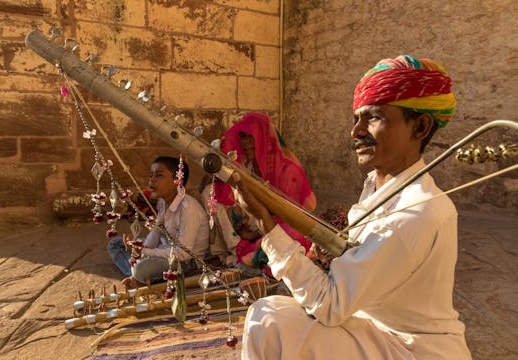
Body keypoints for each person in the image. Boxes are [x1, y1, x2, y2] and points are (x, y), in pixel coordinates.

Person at [236, 55, 471, 359]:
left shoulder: (414, 212)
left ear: (420, 127)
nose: (356, 131)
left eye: (373, 117)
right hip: (373, 330)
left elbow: (329, 305)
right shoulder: (379, 186)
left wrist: (266, 225)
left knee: (266, 319)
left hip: (411, 349)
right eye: (356, 119)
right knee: (274, 315)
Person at [202, 112, 317, 275]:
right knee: (212, 191)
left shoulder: (288, 169)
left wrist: (257, 232)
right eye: (243, 136)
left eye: (252, 137)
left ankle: (250, 255)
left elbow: (292, 215)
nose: (246, 142)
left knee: (272, 249)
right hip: (260, 224)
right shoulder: (248, 165)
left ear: (264, 138)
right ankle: (238, 250)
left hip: (287, 226)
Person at [107, 156, 209, 288]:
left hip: (185, 261)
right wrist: (141, 248)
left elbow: (183, 253)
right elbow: (157, 231)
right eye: (151, 175)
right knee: (115, 244)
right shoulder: (162, 202)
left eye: (159, 175)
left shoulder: (189, 209)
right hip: (164, 249)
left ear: (177, 181)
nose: (152, 180)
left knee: (142, 268)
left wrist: (145, 252)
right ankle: (139, 277)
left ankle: (139, 275)